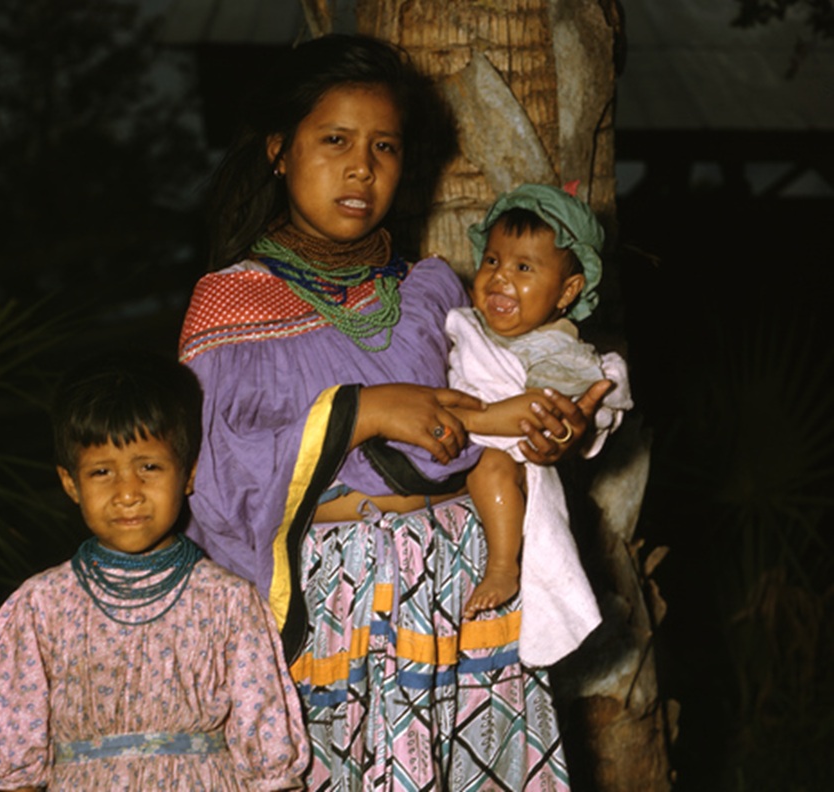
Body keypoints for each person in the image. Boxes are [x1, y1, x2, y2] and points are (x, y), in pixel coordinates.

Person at [179, 34, 610, 789]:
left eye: (385, 146)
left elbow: (487, 408)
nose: (361, 167)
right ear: (280, 150)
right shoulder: (229, 302)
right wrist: (361, 410)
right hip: (331, 612)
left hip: (461, 598)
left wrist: (553, 429)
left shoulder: (431, 290)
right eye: (335, 140)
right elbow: (210, 476)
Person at [0, 352, 309, 791]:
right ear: (70, 483)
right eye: (101, 472)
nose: (127, 493)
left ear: (188, 475)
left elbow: (268, 757)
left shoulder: (229, 602)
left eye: (149, 467)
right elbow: (10, 769)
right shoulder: (39, 607)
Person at [451, 182, 633, 666]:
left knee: (491, 468)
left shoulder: (558, 348)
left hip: (509, 458)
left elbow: (551, 404)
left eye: (524, 268)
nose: (500, 278)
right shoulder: (473, 328)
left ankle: (504, 566)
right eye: (492, 261)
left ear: (568, 292)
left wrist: (473, 416)